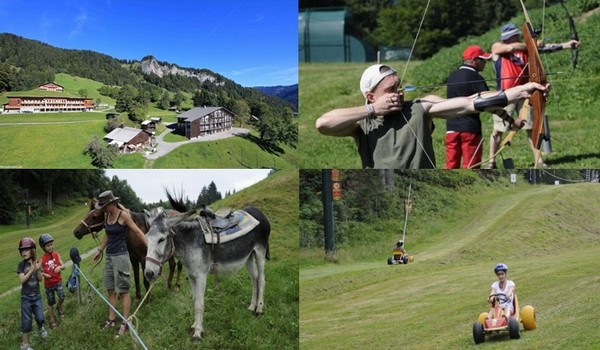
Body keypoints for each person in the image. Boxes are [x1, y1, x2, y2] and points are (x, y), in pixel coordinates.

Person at [315, 64, 549, 169]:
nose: (397, 93)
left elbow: (469, 103)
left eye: (399, 87)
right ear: (370, 95)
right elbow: (323, 124)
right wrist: (372, 110)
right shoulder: (361, 122)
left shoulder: (419, 107)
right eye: (390, 90)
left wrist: (517, 91)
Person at [487, 23, 580, 169]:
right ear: (510, 37)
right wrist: (532, 43)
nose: (518, 36)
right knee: (498, 130)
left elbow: (544, 48)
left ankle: (539, 161)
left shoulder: (527, 48)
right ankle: (490, 162)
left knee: (532, 128)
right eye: (516, 35)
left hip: (524, 94)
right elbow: (510, 48)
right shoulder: (497, 47)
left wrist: (567, 45)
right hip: (505, 95)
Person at [92, 190, 147, 337]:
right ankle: (111, 320)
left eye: (104, 205)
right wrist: (99, 250)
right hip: (110, 257)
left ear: (112, 203)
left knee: (123, 291)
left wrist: (149, 247)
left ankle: (125, 322)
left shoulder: (123, 216)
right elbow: (107, 235)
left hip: (121, 257)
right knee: (110, 290)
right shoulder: (107, 216)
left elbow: (137, 231)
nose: (102, 208)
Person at [17, 237, 48, 350]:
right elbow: (22, 280)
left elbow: (40, 279)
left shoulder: (36, 262)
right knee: (26, 321)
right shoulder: (21, 265)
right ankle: (25, 345)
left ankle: (40, 328)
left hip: (37, 297)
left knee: (40, 318)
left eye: (26, 249)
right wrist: (31, 270)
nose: (23, 252)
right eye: (22, 250)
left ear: (32, 250)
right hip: (26, 298)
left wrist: (38, 269)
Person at [39, 233, 66, 329]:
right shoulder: (42, 259)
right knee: (50, 302)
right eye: (48, 246)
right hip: (49, 284)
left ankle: (59, 306)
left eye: (51, 245)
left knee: (62, 296)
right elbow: (40, 272)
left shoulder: (56, 255)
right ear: (43, 247)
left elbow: (63, 265)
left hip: (58, 281)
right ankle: (52, 320)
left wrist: (59, 267)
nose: (50, 247)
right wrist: (44, 274)